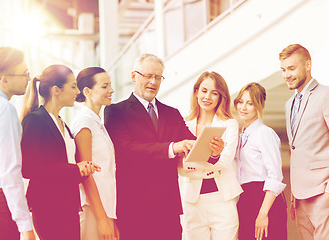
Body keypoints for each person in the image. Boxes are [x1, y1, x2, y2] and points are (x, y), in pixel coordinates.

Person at [104, 54, 224, 240]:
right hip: (134, 208)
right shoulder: (115, 111)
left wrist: (213, 151)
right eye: (148, 76)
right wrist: (172, 148)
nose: (153, 81)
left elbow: (195, 146)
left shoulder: (172, 113)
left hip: (167, 209)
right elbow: (126, 150)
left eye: (158, 77)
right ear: (134, 76)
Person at [280, 44, 329, 239]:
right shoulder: (289, 105)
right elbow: (296, 151)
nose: (287, 74)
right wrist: (294, 197)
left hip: (324, 194)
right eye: (284, 70)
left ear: (308, 65)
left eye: (292, 68)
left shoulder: (328, 95)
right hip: (300, 199)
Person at [20, 64, 100, 240]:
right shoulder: (35, 121)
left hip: (68, 206)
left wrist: (82, 169)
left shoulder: (63, 123)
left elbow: (64, 164)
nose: (77, 91)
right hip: (49, 208)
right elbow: (30, 168)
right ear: (56, 90)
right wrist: (74, 169)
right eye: (73, 86)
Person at [0, 47, 36, 240]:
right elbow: (9, 170)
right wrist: (25, 224)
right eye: (24, 74)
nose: (28, 79)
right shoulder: (3, 109)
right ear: (4, 80)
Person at [178, 71, 242, 240]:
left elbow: (224, 162)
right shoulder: (184, 125)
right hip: (192, 200)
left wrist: (214, 157)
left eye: (215, 93)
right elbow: (181, 167)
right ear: (196, 91)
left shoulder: (229, 124)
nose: (208, 96)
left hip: (222, 199)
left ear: (221, 98)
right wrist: (212, 159)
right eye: (204, 90)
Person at [234, 82, 287, 240]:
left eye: (250, 103)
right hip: (245, 200)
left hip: (264, 200)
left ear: (259, 105)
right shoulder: (240, 136)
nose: (243, 107)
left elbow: (275, 176)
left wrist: (263, 213)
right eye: (241, 102)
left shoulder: (264, 133)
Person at [71, 67, 119, 240]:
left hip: (105, 207)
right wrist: (101, 220)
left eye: (110, 85)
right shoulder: (84, 122)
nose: (111, 90)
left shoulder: (97, 122)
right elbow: (86, 174)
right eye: (105, 86)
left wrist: (109, 218)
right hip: (93, 209)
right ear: (87, 91)